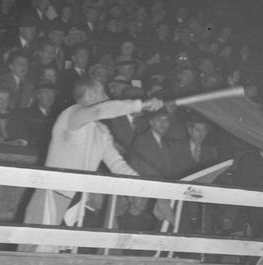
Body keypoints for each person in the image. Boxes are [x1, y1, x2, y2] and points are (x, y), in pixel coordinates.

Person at [18, 78, 164, 252]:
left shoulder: (102, 131)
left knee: (65, 258)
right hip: (52, 195)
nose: (107, 97)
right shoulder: (71, 114)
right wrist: (141, 104)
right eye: (103, 93)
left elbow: (117, 164)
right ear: (91, 94)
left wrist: (144, 186)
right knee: (33, 253)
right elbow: (99, 110)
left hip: (78, 200)